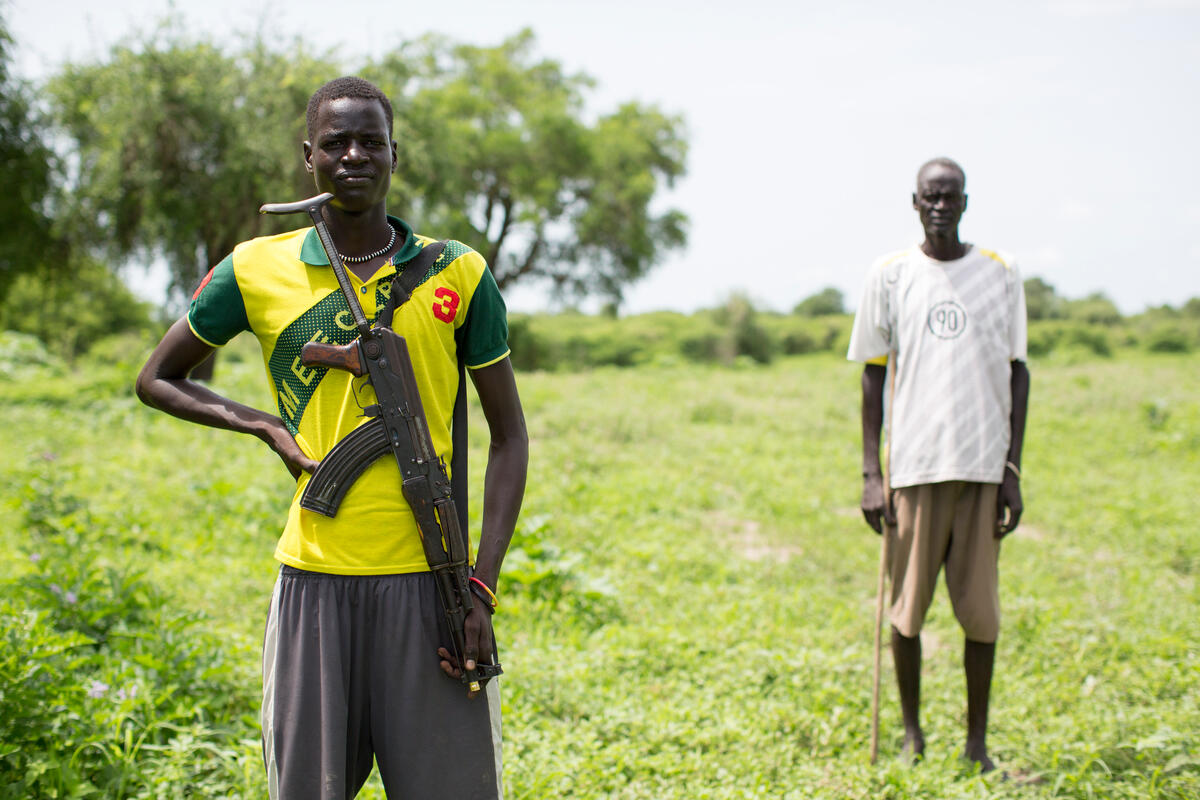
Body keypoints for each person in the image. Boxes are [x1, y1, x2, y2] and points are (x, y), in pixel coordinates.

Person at [136, 76, 528, 799]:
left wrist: (480, 588)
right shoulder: (255, 268)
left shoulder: (456, 271)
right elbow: (158, 378)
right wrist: (264, 426)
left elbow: (509, 438)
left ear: (394, 154)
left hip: (431, 584)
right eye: (335, 142)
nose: (354, 155)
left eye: (371, 141)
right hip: (314, 586)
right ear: (307, 156)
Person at [847, 157, 1029, 773]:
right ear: (915, 202)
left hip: (982, 470)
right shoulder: (891, 274)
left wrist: (1012, 470)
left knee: (981, 616)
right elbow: (873, 375)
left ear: (965, 203)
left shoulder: (1000, 272)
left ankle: (976, 745)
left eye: (950, 197)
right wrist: (872, 475)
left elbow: (1017, 371)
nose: (940, 206)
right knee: (906, 612)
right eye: (931, 196)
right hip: (914, 470)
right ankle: (912, 737)